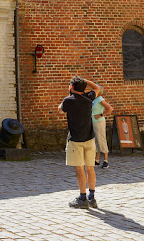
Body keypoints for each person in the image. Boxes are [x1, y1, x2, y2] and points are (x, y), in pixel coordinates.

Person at [58, 75, 101, 209]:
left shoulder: (68, 100)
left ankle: (82, 198)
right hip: (89, 138)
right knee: (90, 168)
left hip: (76, 140)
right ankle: (92, 198)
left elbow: (60, 109)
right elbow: (97, 88)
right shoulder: (88, 98)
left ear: (71, 87)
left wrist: (75, 85)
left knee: (79, 169)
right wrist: (83, 81)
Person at [92, 94, 113, 168]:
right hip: (93, 123)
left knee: (101, 140)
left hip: (99, 122)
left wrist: (101, 114)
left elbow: (110, 109)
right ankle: (96, 160)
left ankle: (105, 161)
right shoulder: (94, 100)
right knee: (96, 141)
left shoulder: (100, 99)